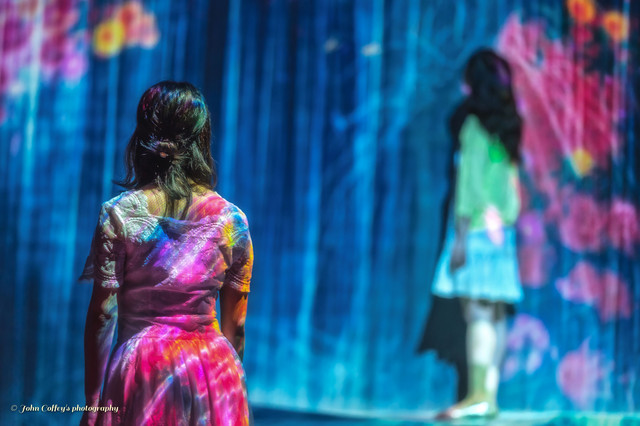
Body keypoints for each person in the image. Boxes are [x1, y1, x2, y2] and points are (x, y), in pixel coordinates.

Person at [79, 81, 253, 426]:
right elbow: (237, 325)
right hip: (211, 366)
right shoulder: (232, 221)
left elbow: (103, 314)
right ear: (201, 139)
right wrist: (228, 384)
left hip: (144, 367)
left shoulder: (120, 214)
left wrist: (94, 401)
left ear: (143, 135)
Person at [427, 49, 523, 420]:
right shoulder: (506, 127)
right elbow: (511, 185)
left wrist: (461, 237)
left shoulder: (472, 126)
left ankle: (479, 395)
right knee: (494, 313)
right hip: (502, 232)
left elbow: (468, 187)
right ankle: (489, 395)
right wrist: (507, 218)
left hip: (479, 230)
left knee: (479, 314)